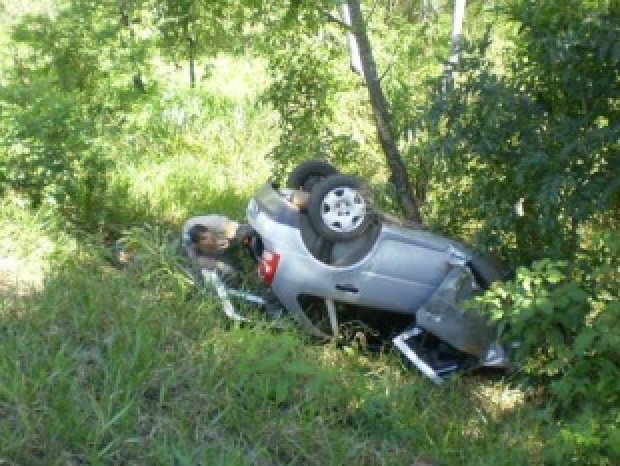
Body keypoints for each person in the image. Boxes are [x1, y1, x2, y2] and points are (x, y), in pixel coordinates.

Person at [181, 214, 253, 283]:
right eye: (206, 243)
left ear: (209, 230)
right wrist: (221, 266)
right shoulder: (191, 244)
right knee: (207, 266)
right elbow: (196, 261)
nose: (210, 242)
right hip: (200, 247)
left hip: (223, 232)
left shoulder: (218, 223)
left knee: (243, 236)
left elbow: (242, 231)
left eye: (212, 239)